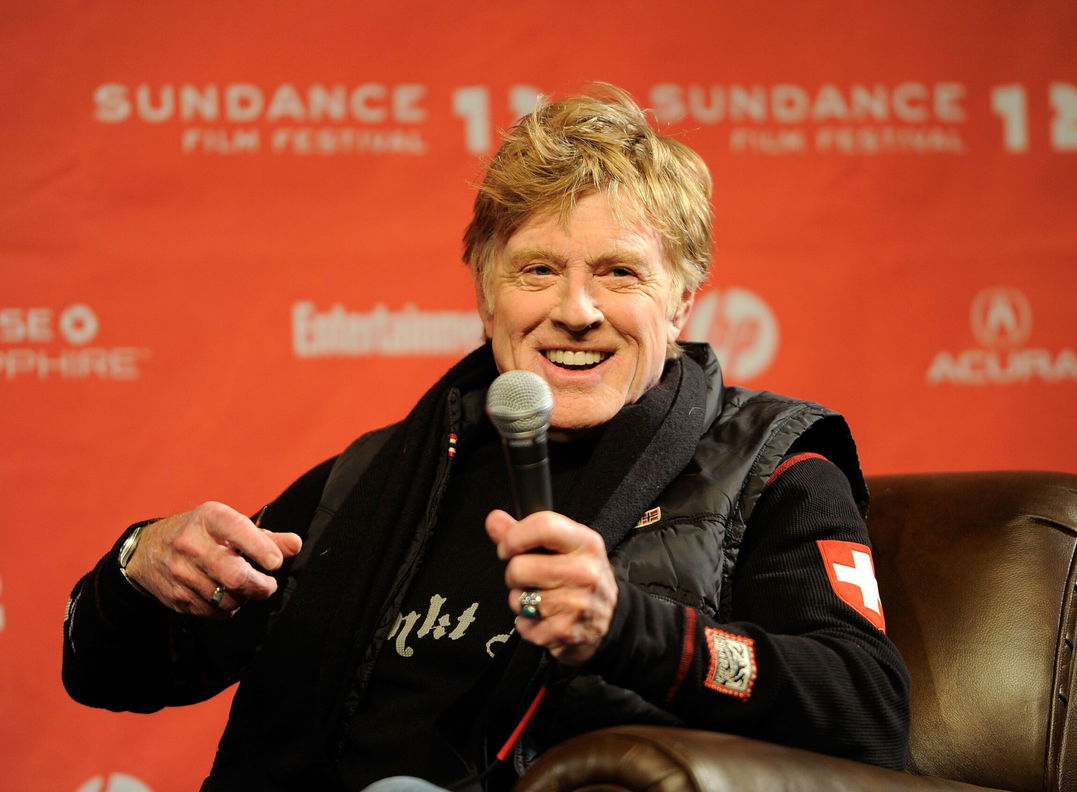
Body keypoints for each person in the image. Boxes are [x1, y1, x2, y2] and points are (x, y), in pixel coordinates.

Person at [63, 84, 911, 791]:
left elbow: (868, 707)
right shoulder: (374, 476)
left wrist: (630, 631)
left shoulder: (775, 468)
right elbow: (114, 675)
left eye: (618, 272)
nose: (575, 310)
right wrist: (140, 567)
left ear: (683, 299)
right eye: (538, 269)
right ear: (485, 291)